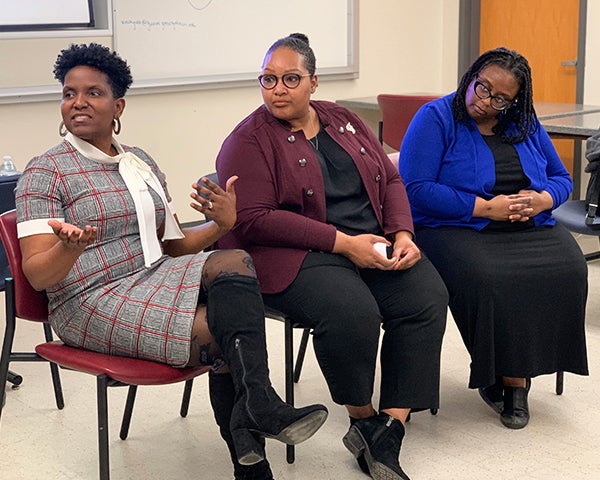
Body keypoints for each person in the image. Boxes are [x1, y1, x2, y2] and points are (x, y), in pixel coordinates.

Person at [14, 43, 328, 480]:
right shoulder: (44, 172)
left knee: (233, 258)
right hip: (87, 300)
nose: (78, 103)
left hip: (151, 276)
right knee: (220, 331)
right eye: (69, 94)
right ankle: (250, 454)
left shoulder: (139, 162)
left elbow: (173, 246)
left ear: (117, 105)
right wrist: (68, 249)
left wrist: (221, 225)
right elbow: (36, 274)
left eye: (93, 93)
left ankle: (255, 406)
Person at [216, 33, 448, 480]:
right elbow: (253, 219)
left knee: (426, 296)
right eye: (268, 79)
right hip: (293, 253)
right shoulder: (248, 139)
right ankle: (361, 418)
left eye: (290, 79)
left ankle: (390, 427)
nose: (277, 89)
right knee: (352, 311)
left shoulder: (343, 119)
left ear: (313, 82)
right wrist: (344, 243)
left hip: (368, 240)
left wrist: (402, 232)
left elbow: (391, 180)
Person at [399, 47, 589, 430]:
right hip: (455, 225)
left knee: (570, 267)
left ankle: (524, 368)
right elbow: (415, 188)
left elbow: (562, 178)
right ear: (471, 76)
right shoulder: (436, 118)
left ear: (514, 101)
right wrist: (486, 208)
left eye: (500, 98)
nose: (483, 101)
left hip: (525, 225)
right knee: (489, 278)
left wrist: (542, 199)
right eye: (481, 87)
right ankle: (505, 378)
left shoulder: (523, 121)